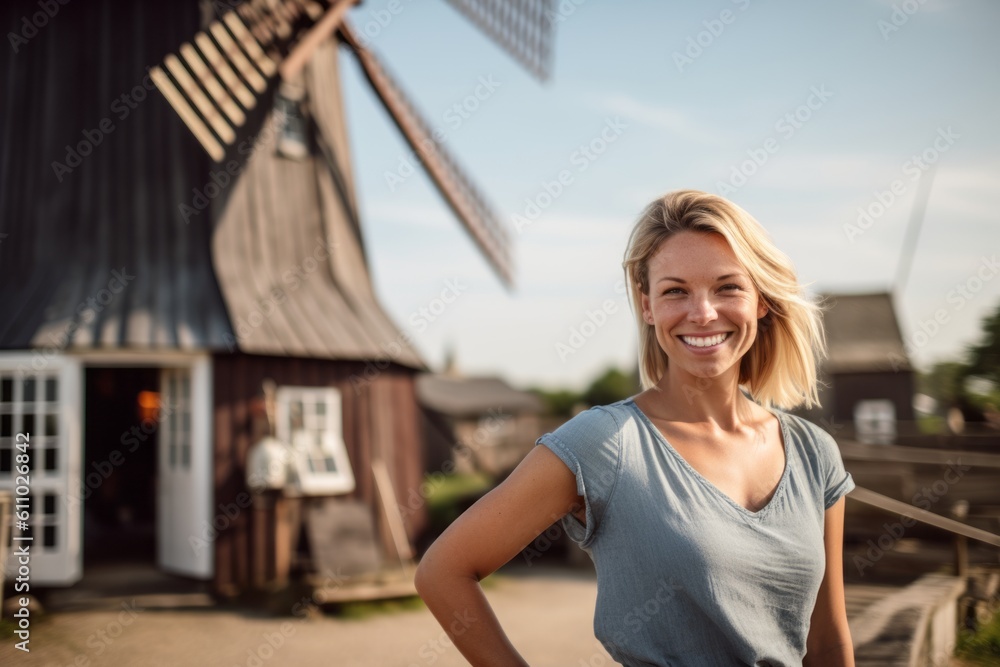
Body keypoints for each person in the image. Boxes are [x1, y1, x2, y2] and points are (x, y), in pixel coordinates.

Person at [414, 189, 856, 666]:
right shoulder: (605, 443)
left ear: (761, 301)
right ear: (647, 307)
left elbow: (827, 638)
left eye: (728, 287)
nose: (703, 312)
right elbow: (443, 571)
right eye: (675, 291)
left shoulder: (815, 453)